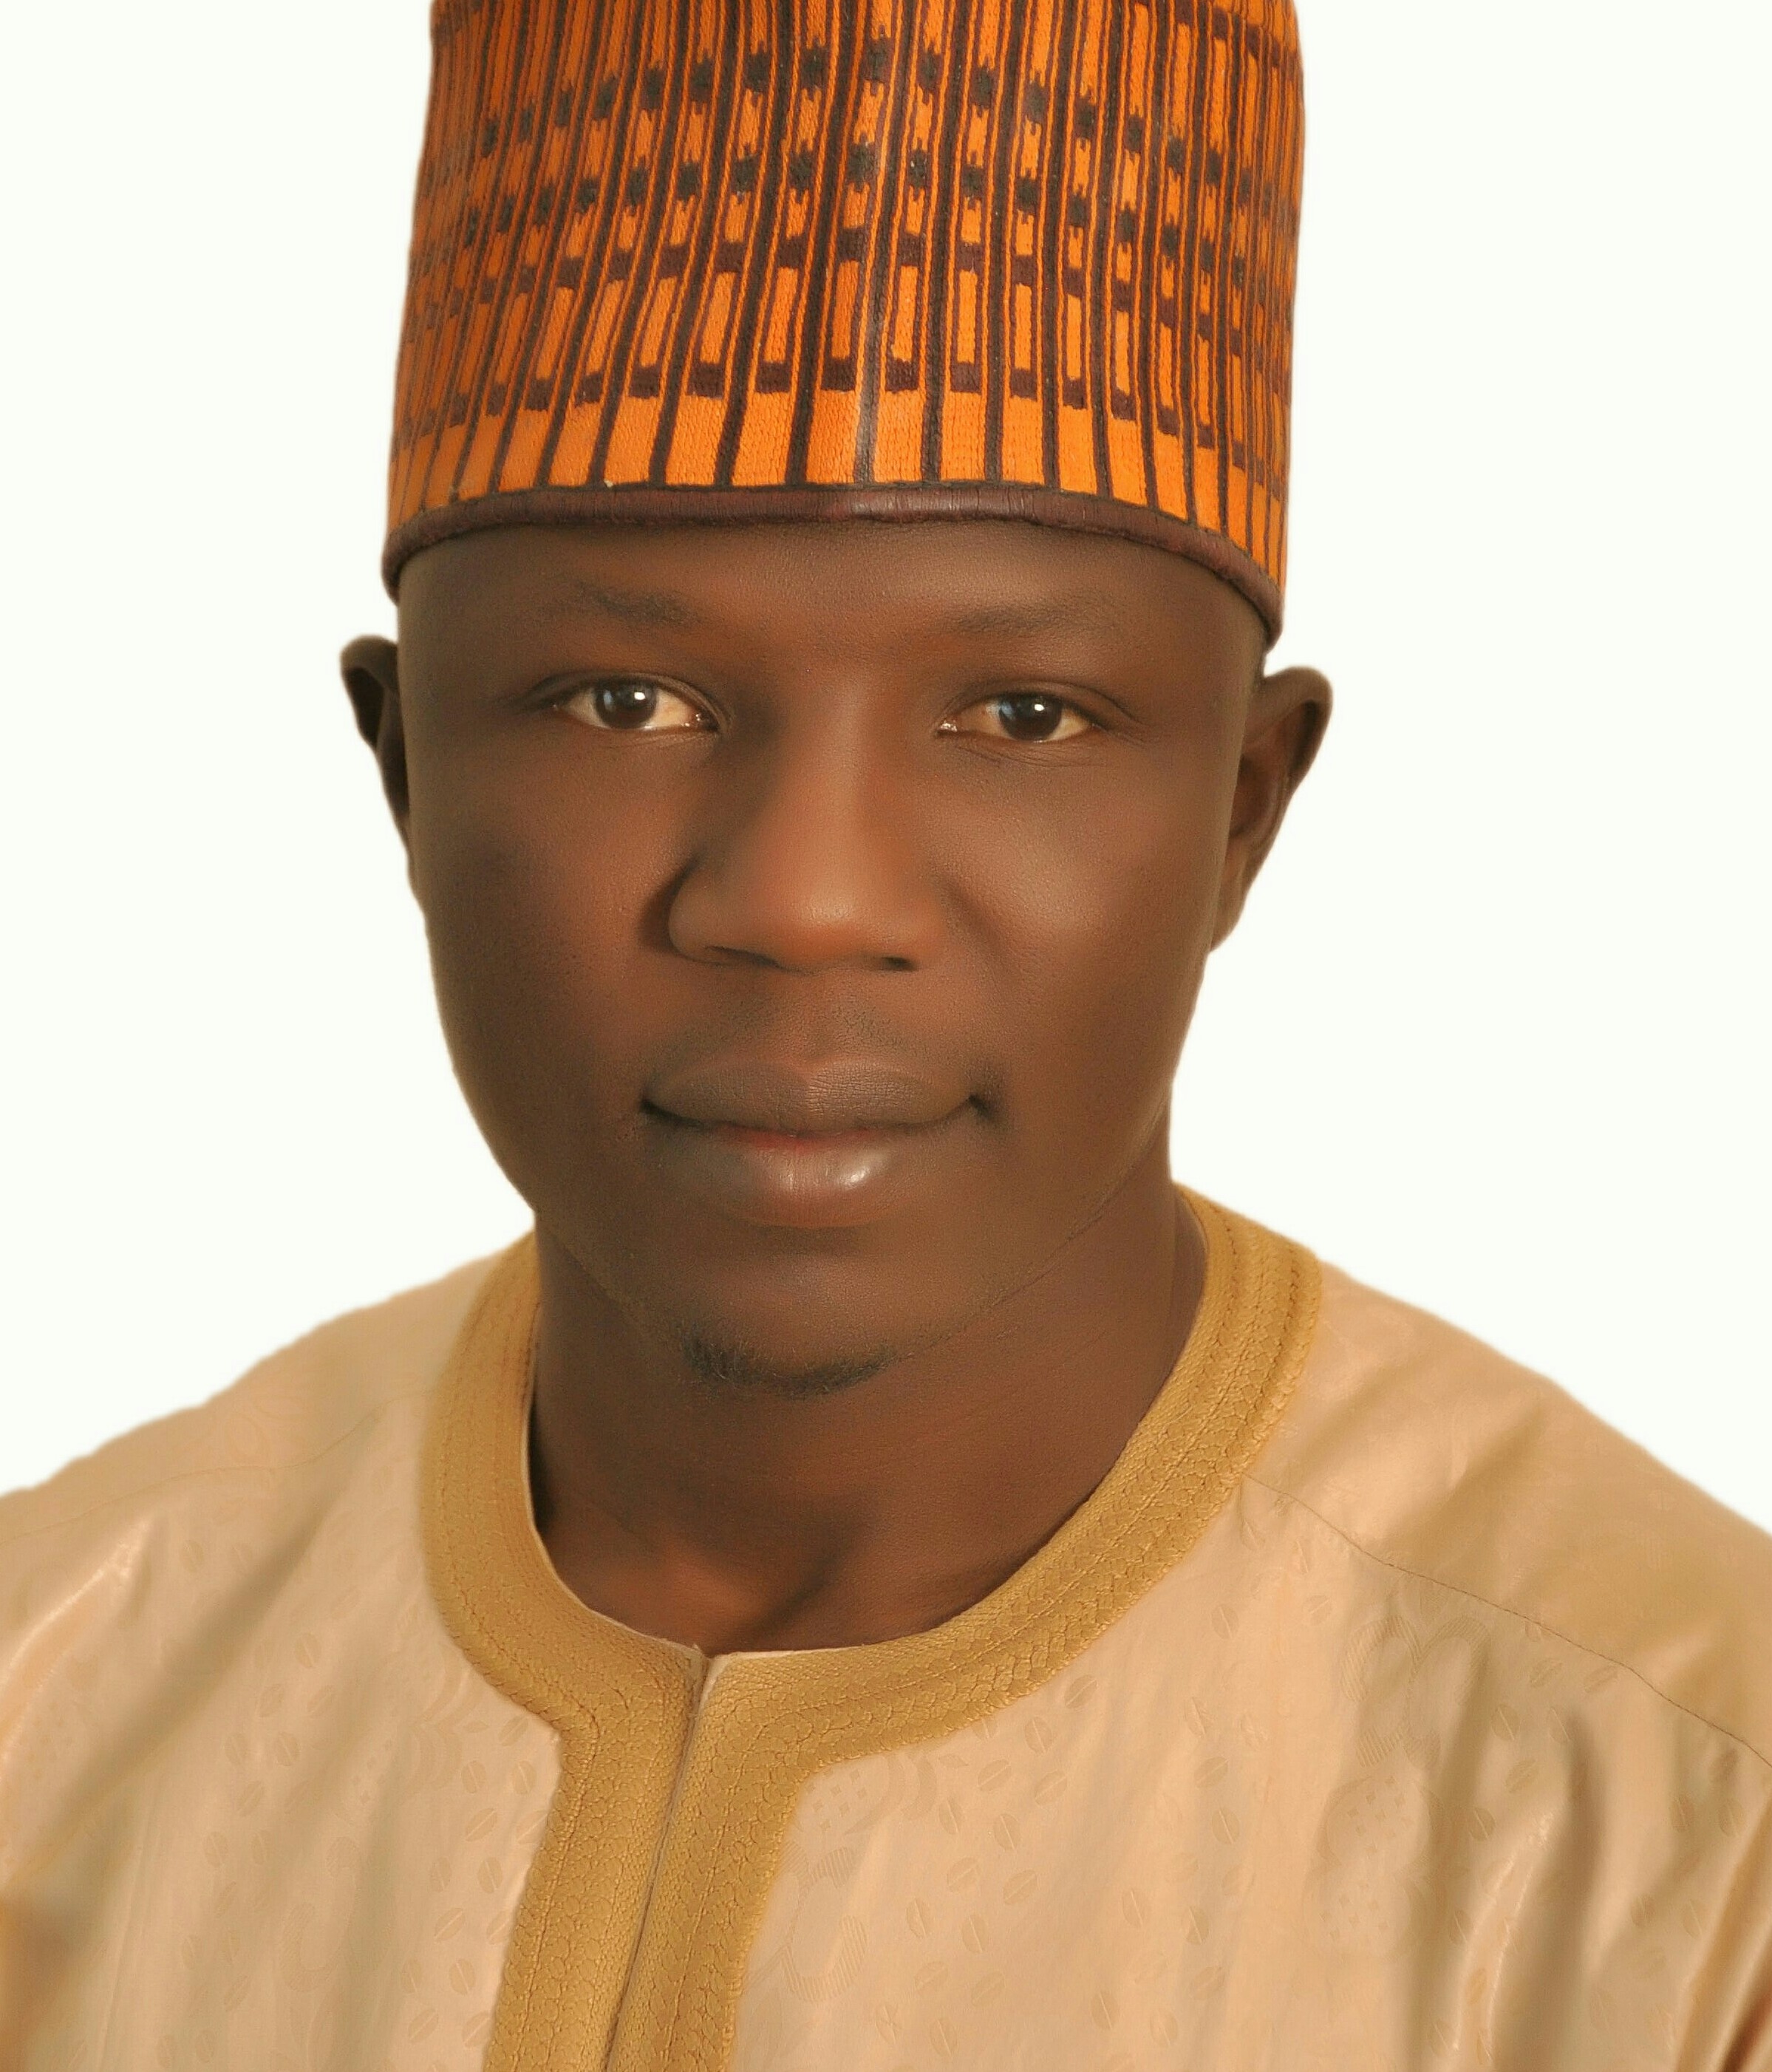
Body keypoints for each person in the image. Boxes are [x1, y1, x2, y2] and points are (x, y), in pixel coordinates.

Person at [1, 0, 1768, 2064]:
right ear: (405, 772)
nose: (803, 898)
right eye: (625, 703)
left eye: (1021, 715)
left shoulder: (1690, 1849)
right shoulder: (58, 1691)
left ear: (1244, 811)